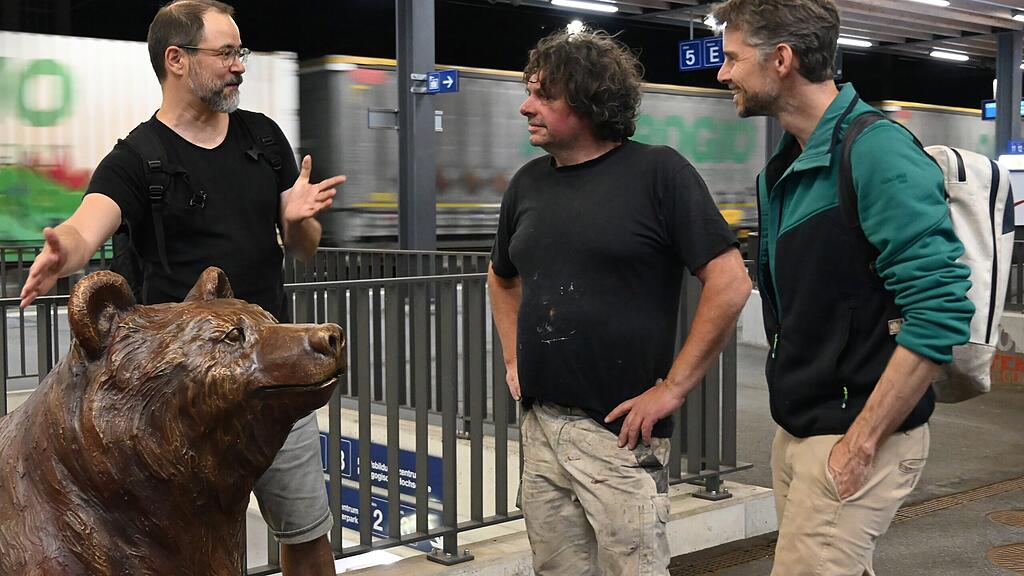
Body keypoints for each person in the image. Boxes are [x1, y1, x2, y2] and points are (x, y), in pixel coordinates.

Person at [18, 1, 342, 574]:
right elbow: (89, 224)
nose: (240, 65)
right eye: (226, 53)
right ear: (177, 59)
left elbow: (305, 246)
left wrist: (296, 221)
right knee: (187, 553)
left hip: (269, 378)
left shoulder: (264, 139)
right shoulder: (138, 158)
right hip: (183, 400)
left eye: (241, 52)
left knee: (307, 534)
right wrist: (65, 249)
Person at [711, 1, 974, 574]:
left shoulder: (875, 151)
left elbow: (938, 311)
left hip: (856, 434)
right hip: (802, 430)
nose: (723, 73)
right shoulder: (788, 163)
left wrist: (861, 443)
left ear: (781, 59)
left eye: (732, 57)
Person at [488, 28, 751, 575]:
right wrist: (514, 358)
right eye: (528, 92)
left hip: (620, 436)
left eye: (543, 95)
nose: (526, 107)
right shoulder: (528, 184)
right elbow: (501, 277)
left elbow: (730, 283)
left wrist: (672, 389)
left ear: (588, 101)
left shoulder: (659, 173)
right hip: (541, 426)